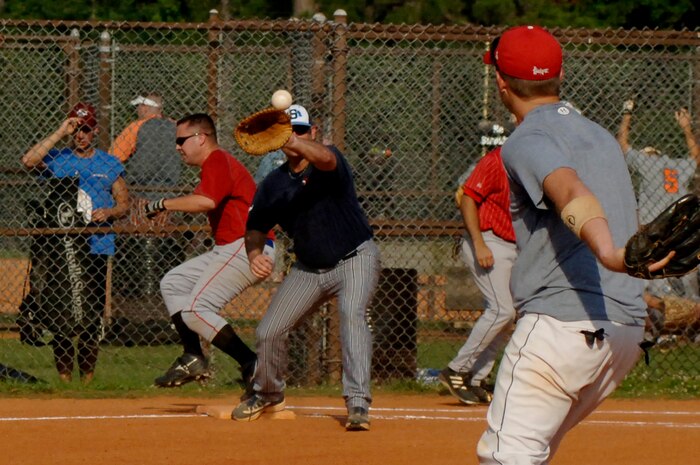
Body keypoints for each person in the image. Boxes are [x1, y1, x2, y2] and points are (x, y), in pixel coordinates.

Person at [477, 26, 672, 464]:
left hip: (562, 326)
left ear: (501, 83)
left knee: (505, 456)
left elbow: (568, 189)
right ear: (559, 76)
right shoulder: (600, 136)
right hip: (622, 329)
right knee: (533, 453)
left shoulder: (527, 141)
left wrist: (609, 254)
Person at [232, 104, 381, 431]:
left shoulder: (330, 163)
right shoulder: (273, 183)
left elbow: (326, 159)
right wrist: (255, 253)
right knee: (268, 331)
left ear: (312, 133)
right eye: (287, 131)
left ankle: (357, 403)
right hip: (309, 269)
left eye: (299, 130)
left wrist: (290, 140)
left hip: (354, 257)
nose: (293, 137)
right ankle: (268, 393)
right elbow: (255, 227)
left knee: (351, 316)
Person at [142, 113, 275, 388]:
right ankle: (192, 356)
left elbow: (206, 201)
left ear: (201, 138)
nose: (178, 147)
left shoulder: (217, 159)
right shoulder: (215, 165)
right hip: (230, 248)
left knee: (196, 310)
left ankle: (252, 363)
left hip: (248, 248)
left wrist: (162, 204)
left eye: (182, 140)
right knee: (173, 283)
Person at [21, 102, 129, 383]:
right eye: (76, 130)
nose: (81, 135)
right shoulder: (58, 158)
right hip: (61, 249)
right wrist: (60, 131)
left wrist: (109, 212)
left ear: (95, 131)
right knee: (61, 311)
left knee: (92, 311)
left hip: (96, 245)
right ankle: (65, 379)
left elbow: (124, 203)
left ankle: (88, 381)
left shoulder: (108, 163)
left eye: (86, 130)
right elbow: (29, 161)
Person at [439, 135, 516, 405]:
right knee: (501, 309)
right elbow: (468, 198)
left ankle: (475, 378)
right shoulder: (497, 160)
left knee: (507, 316)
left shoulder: (535, 164)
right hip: (487, 239)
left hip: (512, 244)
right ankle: (457, 370)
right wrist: (480, 243)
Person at [617, 101, 700, 302]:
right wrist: (686, 128)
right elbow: (696, 157)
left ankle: (658, 311)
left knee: (651, 274)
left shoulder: (646, 161)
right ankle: (688, 308)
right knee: (683, 270)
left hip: (653, 227)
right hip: (678, 227)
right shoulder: (675, 166)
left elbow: (623, 145)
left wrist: (627, 114)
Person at [110, 92, 181, 195]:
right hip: (171, 188)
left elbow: (113, 157)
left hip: (139, 187)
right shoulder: (176, 126)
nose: (137, 109)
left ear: (145, 108)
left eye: (138, 106)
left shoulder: (136, 126)